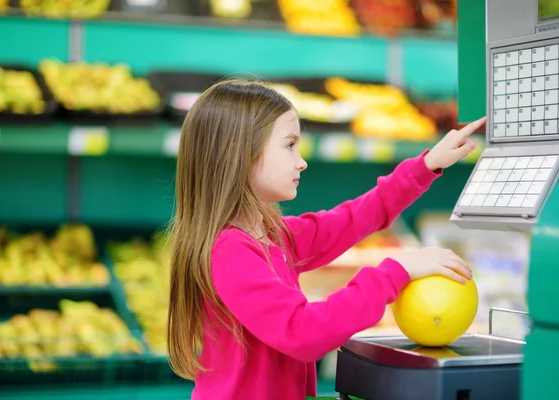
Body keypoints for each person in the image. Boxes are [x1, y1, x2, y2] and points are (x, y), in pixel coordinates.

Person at [166, 78, 486, 400]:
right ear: (239, 155)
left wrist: (427, 165)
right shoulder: (230, 252)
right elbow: (303, 332)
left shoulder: (275, 236)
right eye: (290, 145)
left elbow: (355, 218)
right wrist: (395, 272)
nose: (301, 161)